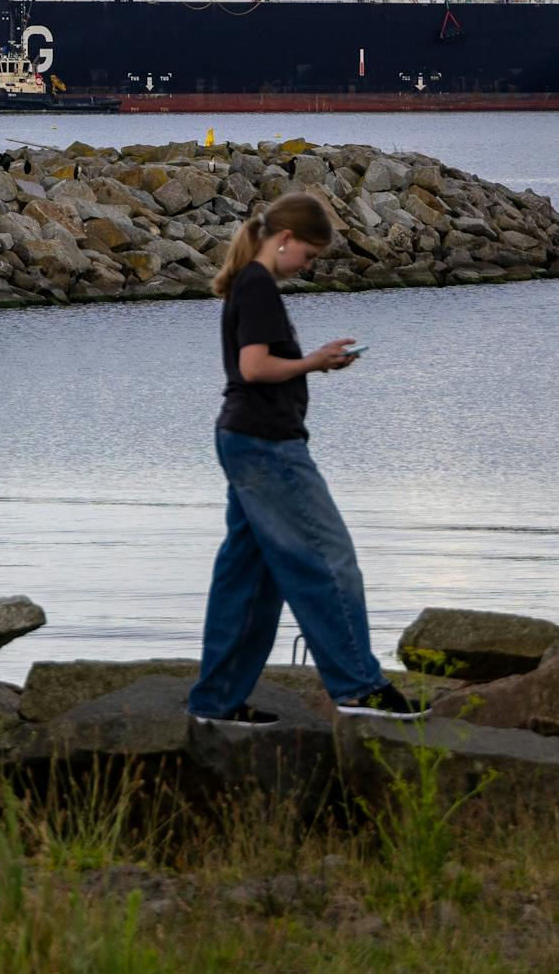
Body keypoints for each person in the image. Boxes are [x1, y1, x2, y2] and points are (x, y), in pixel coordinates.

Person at [188, 191, 421, 725]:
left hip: (243, 439)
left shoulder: (249, 284)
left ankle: (216, 703)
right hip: (268, 444)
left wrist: (316, 361)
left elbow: (256, 364)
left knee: (250, 579)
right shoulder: (259, 285)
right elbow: (253, 368)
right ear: (285, 239)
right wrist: (314, 360)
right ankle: (358, 687)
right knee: (328, 557)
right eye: (310, 256)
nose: (309, 267)